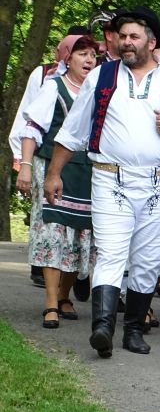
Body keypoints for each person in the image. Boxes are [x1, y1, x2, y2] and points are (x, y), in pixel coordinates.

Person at [44, 6, 160, 358]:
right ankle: (103, 328)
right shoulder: (101, 77)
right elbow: (72, 130)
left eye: (134, 36)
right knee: (110, 252)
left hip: (159, 181)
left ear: (151, 42)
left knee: (148, 259)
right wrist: (54, 173)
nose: (126, 42)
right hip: (110, 177)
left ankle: (133, 330)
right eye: (122, 36)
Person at [16, 35, 99, 327]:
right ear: (67, 58)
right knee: (53, 232)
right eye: (82, 54)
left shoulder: (98, 92)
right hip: (52, 167)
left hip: (86, 171)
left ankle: (64, 295)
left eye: (93, 55)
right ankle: (51, 302)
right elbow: (31, 129)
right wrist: (25, 167)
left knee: (79, 233)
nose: (89, 60)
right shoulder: (54, 87)